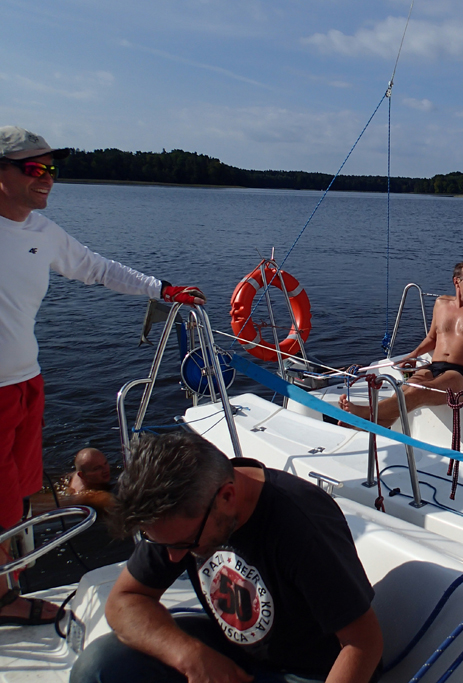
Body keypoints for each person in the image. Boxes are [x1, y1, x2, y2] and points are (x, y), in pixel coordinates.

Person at [0, 125, 206, 627]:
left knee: (16, 496)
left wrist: (163, 289)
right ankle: (4, 600)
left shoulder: (42, 233)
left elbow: (96, 268)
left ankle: (6, 591)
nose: (47, 178)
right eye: (34, 168)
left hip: (26, 382)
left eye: (52, 168)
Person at [70, 431, 383, 683]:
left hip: (310, 671)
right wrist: (190, 656)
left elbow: (363, 642)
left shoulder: (301, 526)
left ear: (228, 497)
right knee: (98, 667)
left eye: (187, 544)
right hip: (231, 653)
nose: (174, 558)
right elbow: (125, 599)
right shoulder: (177, 518)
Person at [339, 261, 463, 427]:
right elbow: (432, 338)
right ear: (456, 281)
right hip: (434, 366)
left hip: (462, 374)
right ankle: (368, 424)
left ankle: (365, 412)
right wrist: (412, 355)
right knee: (404, 390)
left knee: (419, 390)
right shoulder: (441, 303)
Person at [63, 447, 115, 512]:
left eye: (105, 463)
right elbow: (115, 504)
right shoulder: (88, 494)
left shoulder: (78, 474)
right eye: (97, 468)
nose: (105, 470)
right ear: (82, 476)